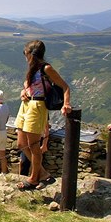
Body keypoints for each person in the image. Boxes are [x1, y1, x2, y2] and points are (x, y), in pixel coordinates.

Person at [15, 40, 71, 190]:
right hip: (26, 105)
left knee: (34, 146)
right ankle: (43, 174)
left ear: (31, 53)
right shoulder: (32, 69)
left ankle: (34, 178)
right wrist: (23, 92)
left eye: (25, 53)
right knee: (21, 144)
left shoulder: (46, 68)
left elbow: (65, 86)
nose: (24, 56)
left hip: (37, 106)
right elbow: (29, 87)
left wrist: (66, 104)